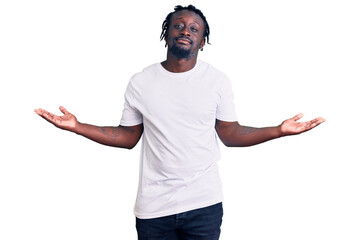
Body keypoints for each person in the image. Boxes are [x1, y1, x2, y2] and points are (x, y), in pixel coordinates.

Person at [34, 5, 326, 240]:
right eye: (179, 25)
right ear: (167, 33)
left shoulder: (216, 81)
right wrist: (77, 126)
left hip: (203, 204)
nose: (186, 31)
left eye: (194, 29)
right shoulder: (141, 82)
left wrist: (278, 131)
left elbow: (231, 133)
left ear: (202, 40)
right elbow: (127, 137)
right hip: (153, 207)